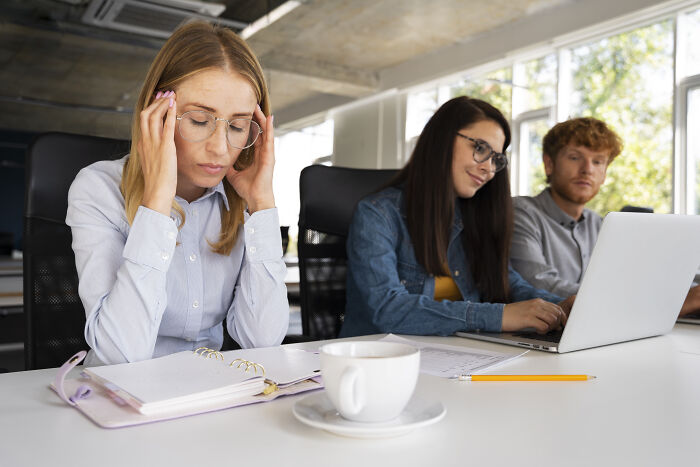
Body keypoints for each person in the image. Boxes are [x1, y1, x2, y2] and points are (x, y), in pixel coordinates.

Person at [66, 21, 288, 366]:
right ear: (157, 113)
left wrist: (262, 206)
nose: (219, 147)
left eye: (238, 126)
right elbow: (119, 355)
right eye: (199, 120)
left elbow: (262, 340)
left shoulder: (240, 198)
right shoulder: (98, 188)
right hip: (120, 400)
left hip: (208, 391)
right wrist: (155, 204)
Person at [340, 96, 573, 338]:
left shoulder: (475, 216)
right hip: (380, 359)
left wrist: (561, 306)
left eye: (496, 159)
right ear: (441, 141)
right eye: (480, 148)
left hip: (454, 355)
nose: (489, 169)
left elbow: (510, 285)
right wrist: (499, 316)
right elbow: (387, 310)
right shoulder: (378, 214)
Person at [510, 117, 621, 298]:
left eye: (598, 162)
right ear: (549, 164)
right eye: (575, 157)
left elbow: (620, 280)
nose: (587, 169)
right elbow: (537, 284)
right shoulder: (520, 213)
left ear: (604, 174)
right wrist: (619, 296)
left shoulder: (601, 225)